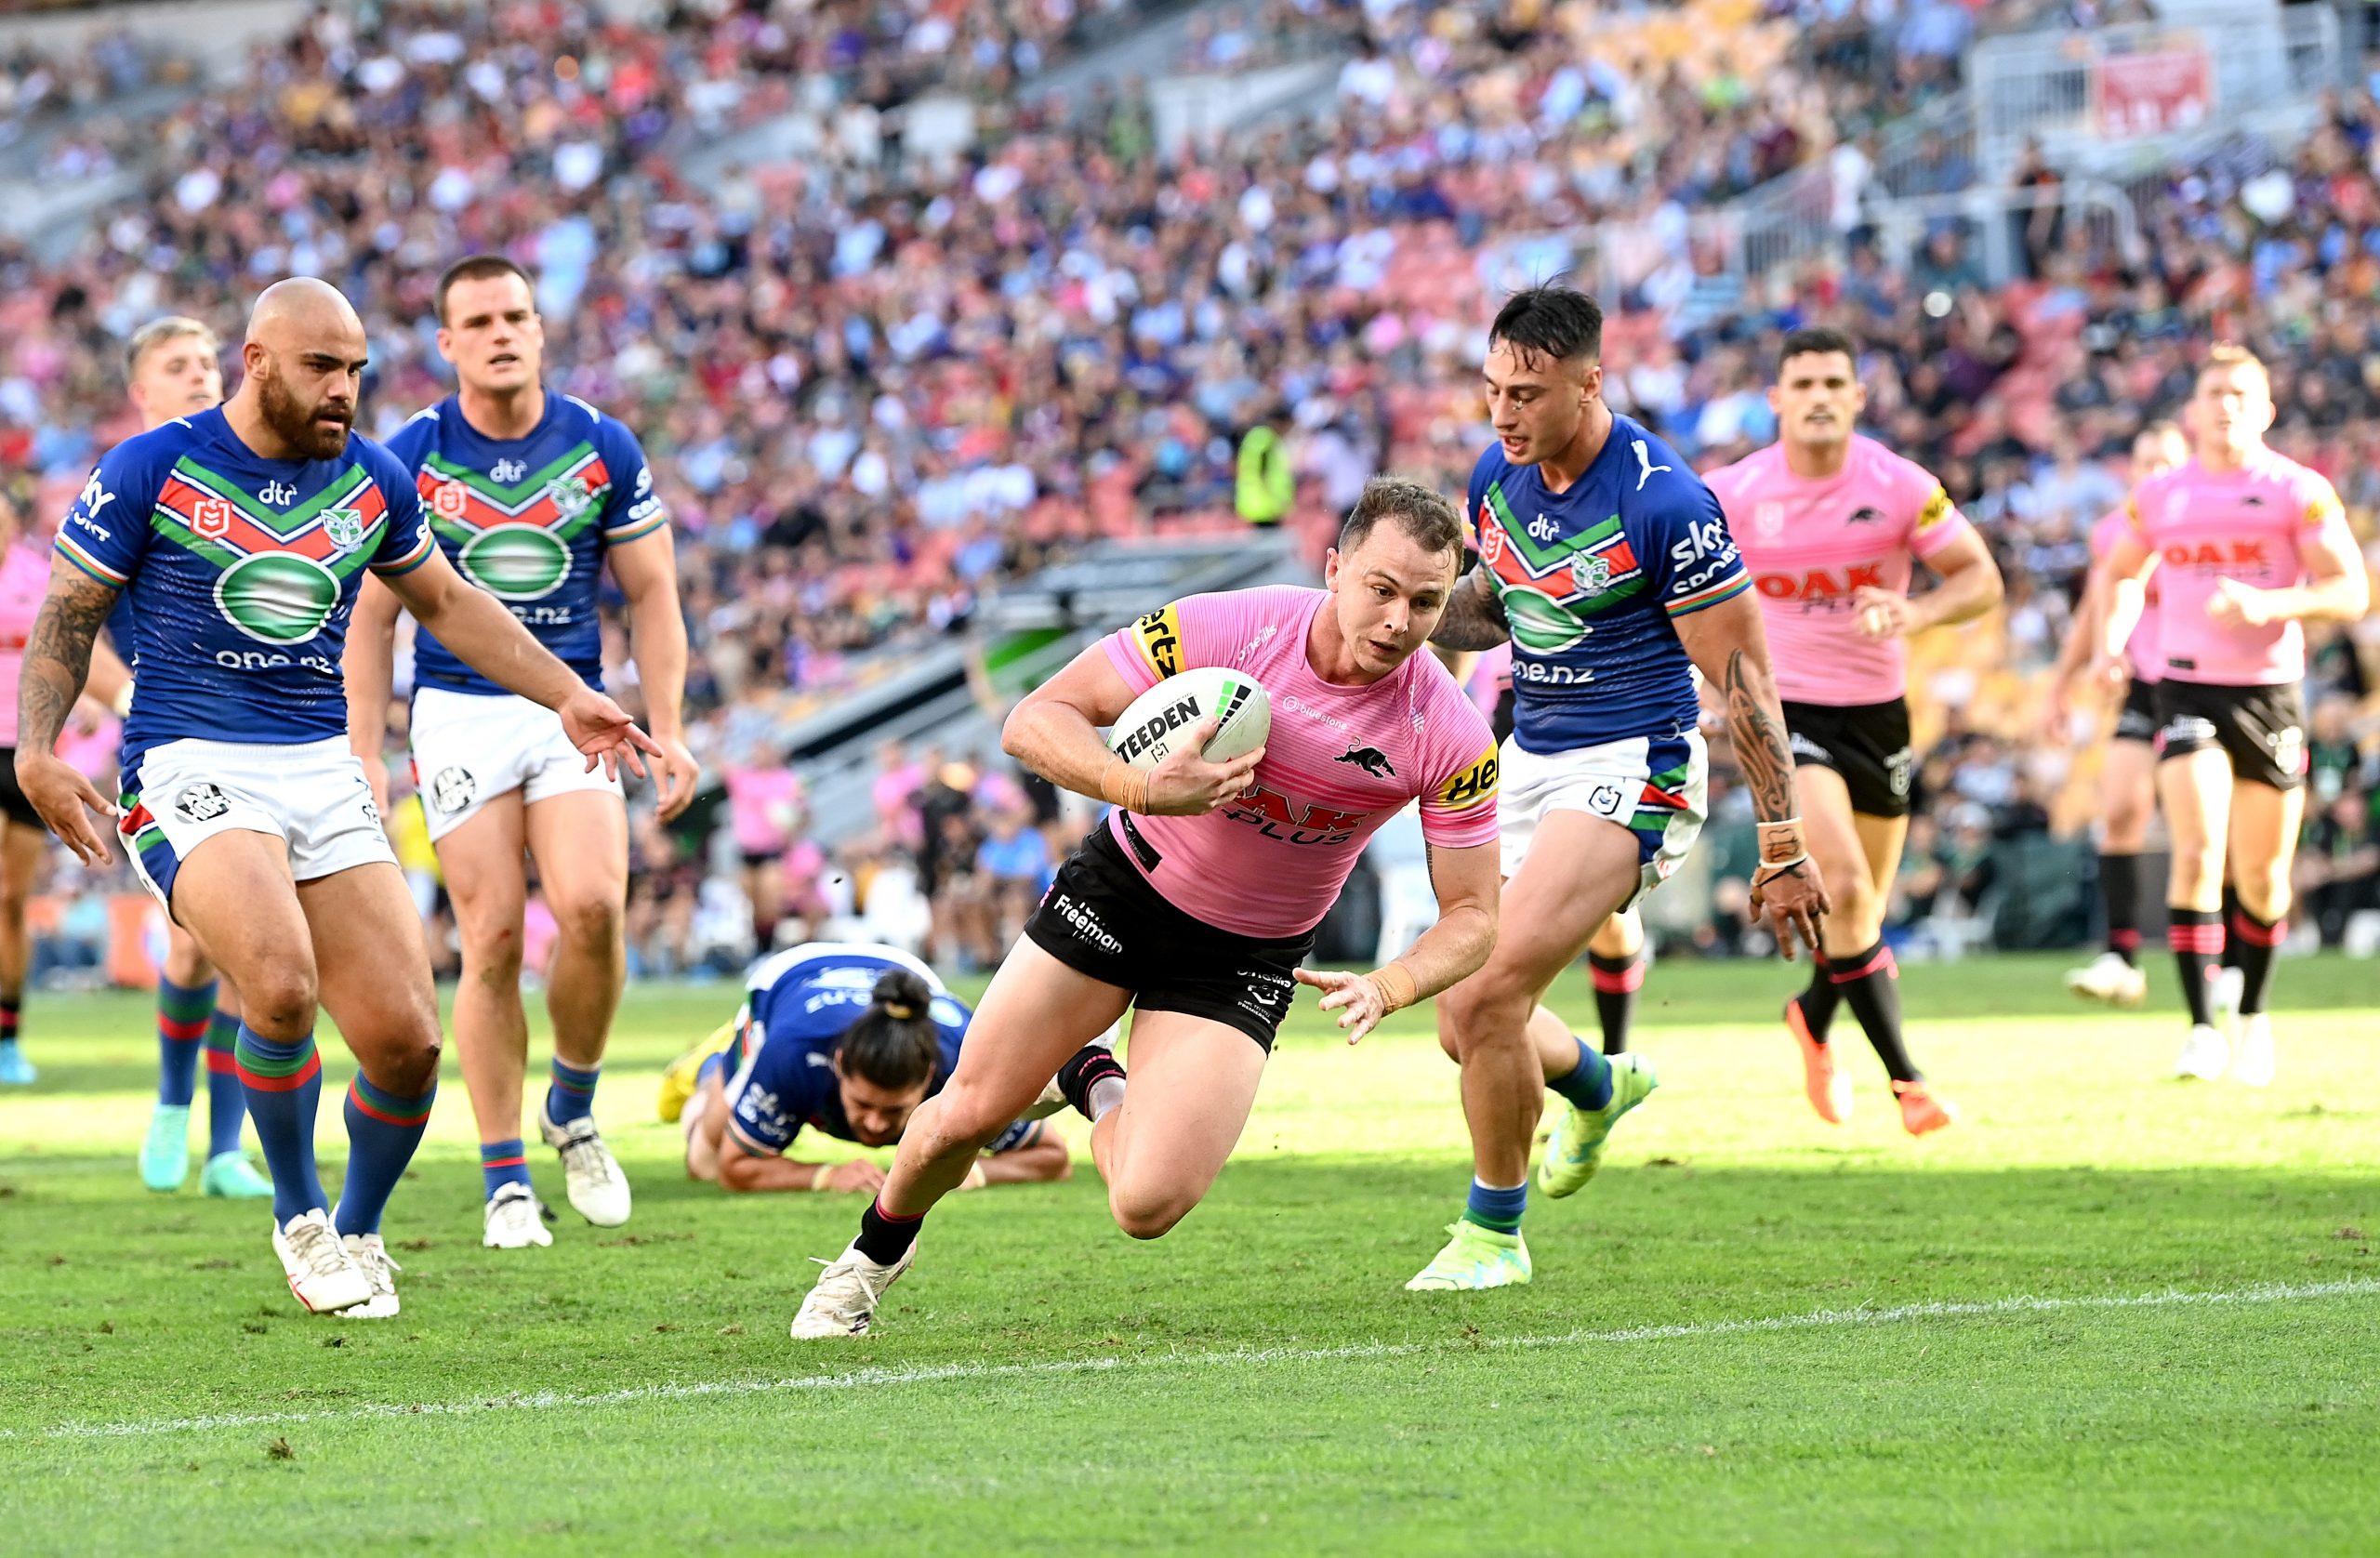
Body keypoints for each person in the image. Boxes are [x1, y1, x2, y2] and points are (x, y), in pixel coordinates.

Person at [16, 277, 658, 1319]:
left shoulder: (372, 478)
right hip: (187, 760)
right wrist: (37, 750)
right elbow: (67, 614)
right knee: (278, 983)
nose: (345, 392)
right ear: (258, 361)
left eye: (357, 370)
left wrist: (571, 694)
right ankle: (301, 1214)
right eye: (323, 368)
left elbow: (448, 600)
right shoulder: (151, 466)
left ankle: (360, 1228)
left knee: (408, 1043)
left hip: (318, 766)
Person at [790, 476, 1503, 1339]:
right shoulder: (1229, 627)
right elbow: (1035, 717)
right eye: (1380, 590)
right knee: (966, 1117)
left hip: (1246, 957)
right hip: (1123, 892)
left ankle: (1089, 1077)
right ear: (1335, 568)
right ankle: (864, 1267)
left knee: (1146, 1204)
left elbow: (1474, 915)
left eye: (1425, 603)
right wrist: (1138, 786)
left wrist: (1391, 986)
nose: (1398, 621)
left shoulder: (1451, 731)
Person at [1418, 286, 1828, 1291]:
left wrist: (1782, 843)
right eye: (1490, 392)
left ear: (1590, 381)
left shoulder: (1666, 502)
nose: (1502, 414)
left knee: (1488, 989)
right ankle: (1598, 1087)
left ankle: (1493, 1234)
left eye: (1525, 392)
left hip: (1633, 763)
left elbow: (1744, 682)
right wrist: (1402, 615)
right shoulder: (1494, 476)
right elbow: (1497, 605)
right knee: (1458, 1016)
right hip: (1530, 755)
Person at [346, 257, 699, 1250]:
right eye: (478, 321)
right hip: (457, 713)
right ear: (447, 344)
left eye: (517, 316)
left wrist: (664, 722)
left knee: (591, 904)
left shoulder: (600, 444)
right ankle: (505, 1176)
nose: (501, 332)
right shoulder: (410, 452)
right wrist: (364, 750)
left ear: (540, 332)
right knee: (491, 936)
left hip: (569, 708)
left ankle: (573, 1105)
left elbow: (655, 594)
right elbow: (373, 620)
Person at [1706, 325, 2003, 1132]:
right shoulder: (1731, 493)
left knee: (1860, 913)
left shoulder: (1901, 485)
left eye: (1835, 384)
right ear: (1776, 400)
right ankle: (1909, 1082)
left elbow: (1981, 579)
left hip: (1879, 717)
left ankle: (1812, 1017)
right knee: (1841, 880)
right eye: (1802, 385)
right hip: (1781, 713)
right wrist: (1704, 684)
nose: (1819, 399)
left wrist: (1918, 609)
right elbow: (1674, 593)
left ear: (1858, 398)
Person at [2090, 345, 2369, 1085]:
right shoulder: (2159, 496)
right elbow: (2119, 573)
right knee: (2196, 847)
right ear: (2194, 408)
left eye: (2242, 393)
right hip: (2185, 687)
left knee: (2263, 873)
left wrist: (2272, 603)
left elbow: (2351, 590)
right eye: (2215, 392)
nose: (2227, 405)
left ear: (2267, 409)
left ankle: (2253, 1015)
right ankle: (2202, 1028)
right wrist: (2113, 645)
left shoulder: (2295, 491)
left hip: (2271, 692)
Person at [78, 318, 275, 1194]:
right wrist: (130, 699)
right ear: (140, 391)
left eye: (208, 362)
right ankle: (172, 1108)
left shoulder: (251, 479)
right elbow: (71, 626)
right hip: (170, 744)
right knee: (200, 944)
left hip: (268, 738)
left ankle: (225, 1147)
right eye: (177, 365)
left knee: (252, 947)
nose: (201, 376)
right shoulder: (127, 481)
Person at [662, 942, 1070, 1192]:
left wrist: (972, 1173)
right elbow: (735, 1169)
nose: (874, 1124)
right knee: (705, 1162)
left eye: (893, 1110)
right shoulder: (793, 1052)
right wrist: (825, 1176)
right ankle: (712, 1064)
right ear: (838, 1066)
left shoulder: (967, 1064)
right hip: (788, 984)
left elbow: (1053, 1157)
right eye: (862, 1104)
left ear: (930, 1078)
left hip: (905, 976)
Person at [2046, 420, 2192, 1007]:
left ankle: (2226, 959)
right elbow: (2094, 607)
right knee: (2122, 807)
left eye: (2166, 462)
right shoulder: (2114, 533)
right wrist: (2062, 683)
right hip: (2140, 683)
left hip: (2200, 681)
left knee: (2207, 829)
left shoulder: (2202, 529)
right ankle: (2122, 957)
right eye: (2145, 463)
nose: (2154, 473)